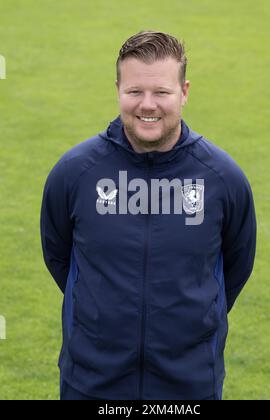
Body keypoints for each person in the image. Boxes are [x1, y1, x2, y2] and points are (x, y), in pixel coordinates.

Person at [40, 30, 256, 400]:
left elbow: (236, 266)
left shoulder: (222, 179)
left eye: (162, 92)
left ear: (184, 92)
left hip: (189, 386)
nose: (148, 105)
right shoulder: (75, 172)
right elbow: (59, 256)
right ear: (118, 90)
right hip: (92, 383)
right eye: (135, 91)